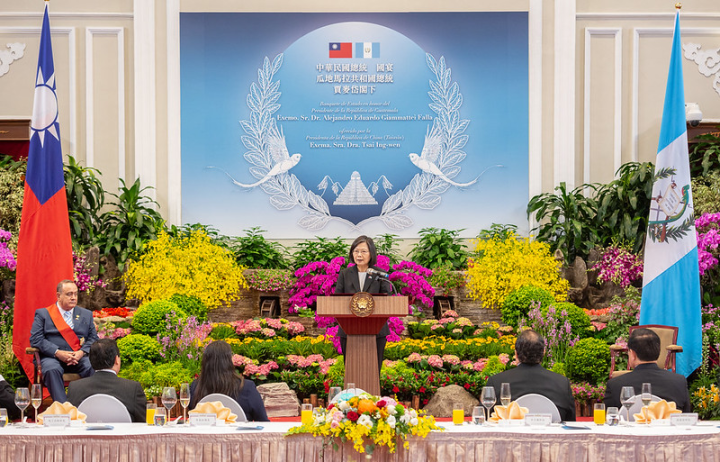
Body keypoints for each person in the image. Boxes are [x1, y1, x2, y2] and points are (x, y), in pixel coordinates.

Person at [29, 280, 98, 403]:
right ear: (58, 295)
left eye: (75, 294)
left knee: (93, 366)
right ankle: (64, 409)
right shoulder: (43, 314)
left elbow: (93, 338)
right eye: (69, 294)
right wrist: (57, 352)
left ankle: (86, 405)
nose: (73, 297)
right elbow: (36, 339)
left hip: (78, 357)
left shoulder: (86, 314)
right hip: (52, 357)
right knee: (51, 369)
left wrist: (81, 352)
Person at [486, 329, 576, 422]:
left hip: (511, 436)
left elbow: (485, 421)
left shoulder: (497, 382)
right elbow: (571, 423)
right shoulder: (562, 383)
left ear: (516, 354)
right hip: (550, 436)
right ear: (544, 352)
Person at [334, 235, 394, 374]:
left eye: (363, 251)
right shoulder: (345, 274)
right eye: (356, 251)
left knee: (373, 371)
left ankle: (373, 395)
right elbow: (337, 300)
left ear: (371, 253)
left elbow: (388, 300)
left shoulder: (380, 274)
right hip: (348, 330)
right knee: (352, 371)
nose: (359, 255)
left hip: (377, 331)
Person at [604, 328, 691, 411]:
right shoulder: (679, 382)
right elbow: (686, 417)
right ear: (659, 351)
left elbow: (611, 418)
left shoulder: (615, 385)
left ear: (633, 354)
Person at [66, 338, 147, 422]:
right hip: (122, 434)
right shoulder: (132, 388)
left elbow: (71, 424)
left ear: (91, 361)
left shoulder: (75, 387)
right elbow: (143, 424)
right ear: (116, 360)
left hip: (87, 435)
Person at [189, 340, 268, 421]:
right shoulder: (247, 387)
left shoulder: (195, 387)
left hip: (204, 433)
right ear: (229, 361)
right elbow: (263, 421)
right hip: (240, 433)